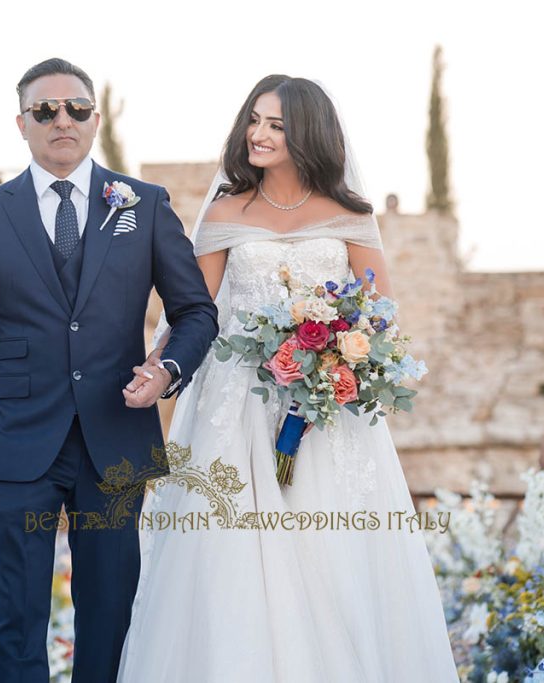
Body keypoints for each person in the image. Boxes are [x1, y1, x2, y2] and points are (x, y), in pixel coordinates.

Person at [117, 76, 456, 682]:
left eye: (276, 124)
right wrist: (157, 366)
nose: (259, 133)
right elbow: (192, 311)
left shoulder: (350, 215)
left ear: (308, 133)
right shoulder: (224, 212)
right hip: (236, 405)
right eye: (255, 120)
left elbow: (378, 315)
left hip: (325, 415)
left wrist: (334, 361)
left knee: (328, 551)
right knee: (232, 556)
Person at [0, 58, 217, 682]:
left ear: (95, 118)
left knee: (111, 614)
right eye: (46, 110)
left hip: (117, 433)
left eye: (77, 108)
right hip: (21, 436)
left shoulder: (143, 204)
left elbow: (196, 312)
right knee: (18, 614)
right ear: (22, 123)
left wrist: (166, 370)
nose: (63, 120)